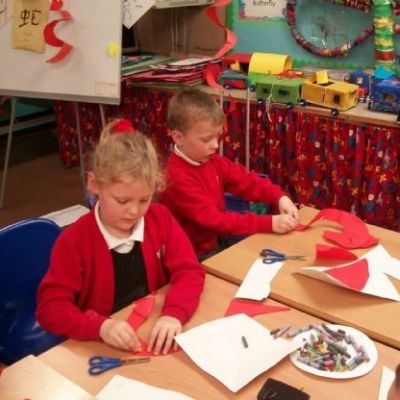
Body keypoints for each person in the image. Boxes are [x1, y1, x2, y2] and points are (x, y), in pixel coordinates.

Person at [36, 119, 205, 355]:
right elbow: (51, 309)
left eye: (144, 199)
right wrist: (100, 327)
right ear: (94, 184)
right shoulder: (74, 241)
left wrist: (174, 314)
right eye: (122, 201)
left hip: (147, 329)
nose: (134, 211)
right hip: (100, 346)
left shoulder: (160, 218)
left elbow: (189, 271)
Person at [159, 88, 299, 260]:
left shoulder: (211, 160)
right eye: (206, 139)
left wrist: (279, 197)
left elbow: (246, 181)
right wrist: (269, 223)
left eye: (217, 137)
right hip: (189, 256)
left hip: (212, 243)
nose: (215, 145)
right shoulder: (176, 178)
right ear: (178, 138)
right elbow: (215, 220)